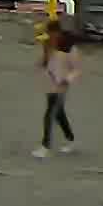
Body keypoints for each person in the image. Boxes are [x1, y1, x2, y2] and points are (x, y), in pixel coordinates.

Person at [34, 25, 80, 157]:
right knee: (59, 114)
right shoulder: (49, 46)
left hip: (61, 87)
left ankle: (45, 146)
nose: (51, 37)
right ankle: (70, 139)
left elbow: (76, 69)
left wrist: (67, 79)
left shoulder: (70, 48)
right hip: (50, 85)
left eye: (53, 34)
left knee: (49, 114)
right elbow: (45, 63)